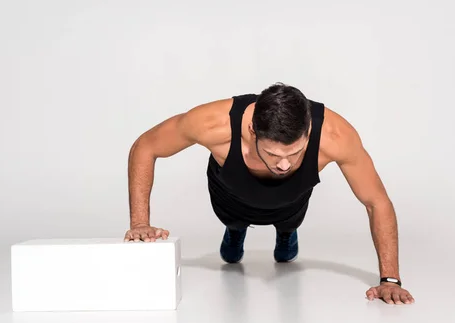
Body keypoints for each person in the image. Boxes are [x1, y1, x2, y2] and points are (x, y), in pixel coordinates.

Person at [124, 83, 414, 305]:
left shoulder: (336, 136)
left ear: (309, 131)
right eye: (274, 154)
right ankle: (235, 229)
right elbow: (145, 147)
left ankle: (286, 231)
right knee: (232, 222)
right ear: (252, 131)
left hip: (291, 201)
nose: (285, 163)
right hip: (230, 195)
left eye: (296, 152)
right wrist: (139, 223)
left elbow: (376, 201)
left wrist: (391, 279)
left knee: (289, 221)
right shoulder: (213, 123)